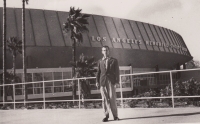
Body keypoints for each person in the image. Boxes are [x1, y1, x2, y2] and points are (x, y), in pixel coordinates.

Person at [96, 45, 120, 122]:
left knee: (112, 98)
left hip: (111, 81)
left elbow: (117, 72)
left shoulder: (114, 60)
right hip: (102, 82)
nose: (105, 52)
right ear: (102, 52)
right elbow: (98, 73)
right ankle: (106, 116)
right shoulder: (100, 61)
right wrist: (97, 81)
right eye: (104, 50)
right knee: (104, 99)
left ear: (109, 51)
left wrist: (117, 81)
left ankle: (115, 116)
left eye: (106, 50)